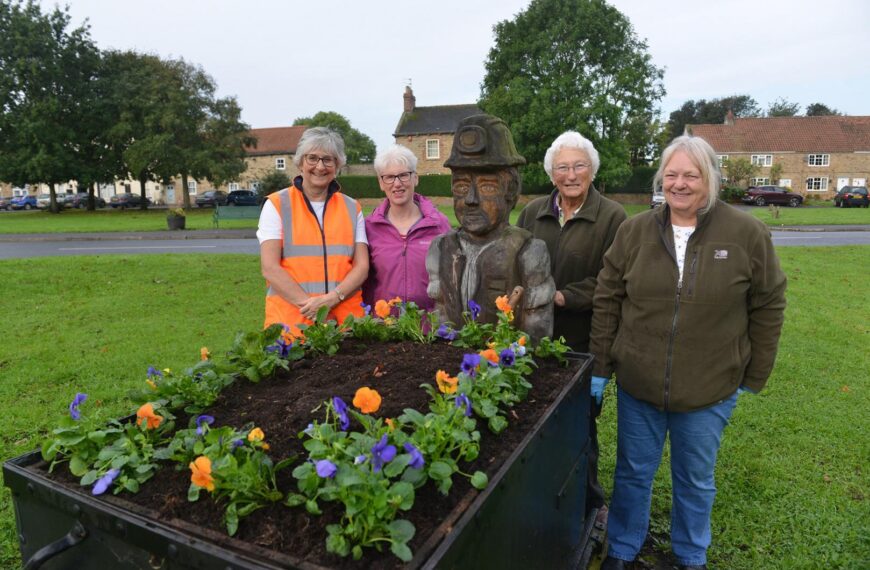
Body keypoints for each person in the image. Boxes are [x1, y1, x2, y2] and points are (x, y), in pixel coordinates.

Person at [592, 135, 787, 570]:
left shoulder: (746, 233)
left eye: (691, 175)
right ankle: (622, 548)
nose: (679, 184)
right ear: (662, 178)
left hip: (708, 389)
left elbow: (769, 302)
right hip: (639, 384)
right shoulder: (634, 231)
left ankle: (689, 555)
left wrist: (754, 373)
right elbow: (607, 297)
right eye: (672, 174)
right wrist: (601, 367)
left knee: (695, 481)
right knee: (632, 473)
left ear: (711, 179)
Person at [516, 130, 627, 523]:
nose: (571, 174)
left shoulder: (612, 217)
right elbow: (519, 263)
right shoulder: (532, 213)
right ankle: (541, 495)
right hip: (534, 340)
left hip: (583, 341)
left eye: (579, 165)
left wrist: (562, 296)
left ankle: (592, 502)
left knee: (581, 427)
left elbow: (614, 280)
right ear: (551, 174)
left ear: (592, 169)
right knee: (531, 422)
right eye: (562, 167)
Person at [426, 113, 555, 341]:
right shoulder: (441, 248)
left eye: (486, 187)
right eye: (462, 186)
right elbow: (441, 317)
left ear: (511, 190)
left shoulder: (529, 253)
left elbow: (536, 334)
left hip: (505, 371)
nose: (471, 199)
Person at [257, 127, 369, 337]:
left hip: (345, 326)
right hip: (292, 328)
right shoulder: (276, 205)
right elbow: (270, 268)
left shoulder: (352, 207)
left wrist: (333, 299)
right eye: (312, 158)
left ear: (337, 165)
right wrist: (316, 309)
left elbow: (362, 266)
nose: (320, 166)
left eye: (328, 159)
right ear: (300, 162)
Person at [363, 145, 451, 310]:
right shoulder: (369, 228)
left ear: (415, 178)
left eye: (404, 175)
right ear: (381, 183)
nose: (397, 184)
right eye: (389, 177)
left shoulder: (439, 225)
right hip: (383, 328)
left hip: (430, 328)